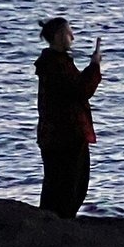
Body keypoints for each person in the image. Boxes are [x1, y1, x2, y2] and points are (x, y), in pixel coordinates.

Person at [35, 16, 102, 218]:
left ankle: (53, 222)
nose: (72, 37)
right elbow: (81, 90)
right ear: (58, 36)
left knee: (58, 184)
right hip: (66, 135)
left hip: (57, 135)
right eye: (68, 32)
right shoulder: (57, 65)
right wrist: (94, 66)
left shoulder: (53, 63)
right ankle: (59, 224)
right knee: (69, 185)